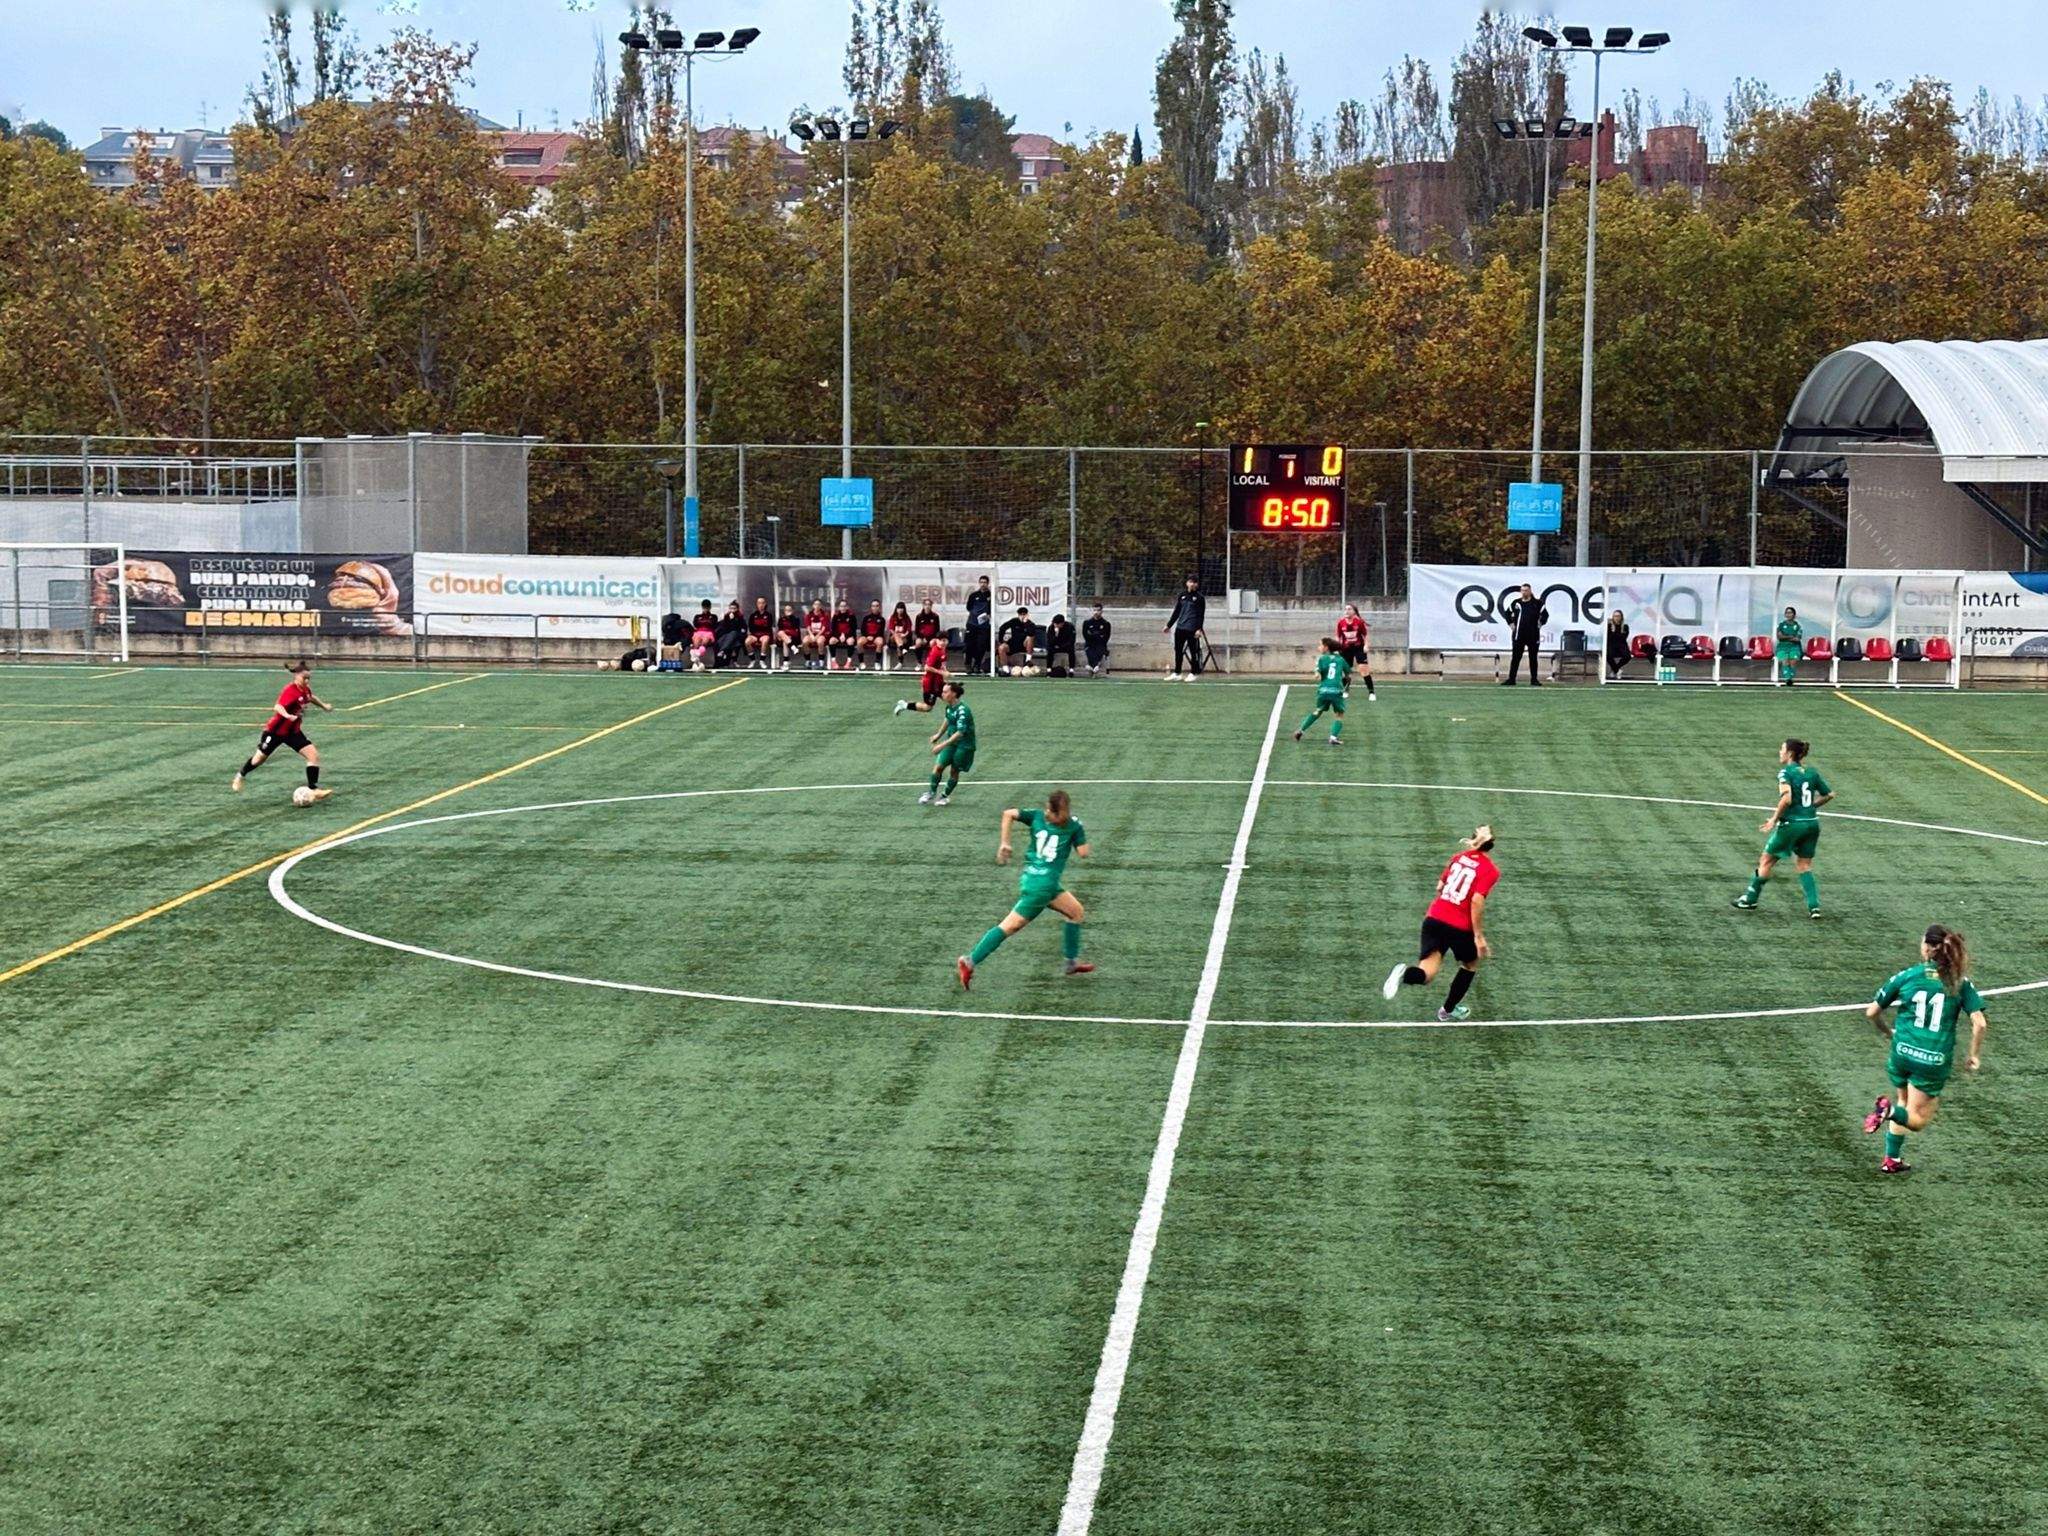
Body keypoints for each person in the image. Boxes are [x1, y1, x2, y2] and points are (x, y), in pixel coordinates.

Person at [1862, 924, 1989, 1175]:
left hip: (1902, 1053)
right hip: (1931, 1059)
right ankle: (1886, 1112)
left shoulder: (1908, 975)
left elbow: (1872, 1012)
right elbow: (1979, 1023)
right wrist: (1973, 1055)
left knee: (1904, 1104)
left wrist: (1887, 1032)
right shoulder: (1959, 983)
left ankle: (1892, 1159)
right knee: (1917, 1120)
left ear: (1927, 948)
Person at [957, 788, 1094, 987]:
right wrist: (1079, 830)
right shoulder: (1073, 826)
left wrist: (1005, 843)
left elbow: (1008, 814)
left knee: (1076, 912)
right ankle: (969, 961)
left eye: (1054, 811)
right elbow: (1083, 853)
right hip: (1042, 888)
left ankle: (1071, 963)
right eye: (1052, 811)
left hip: (1038, 881)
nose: (1051, 814)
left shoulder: (1036, 817)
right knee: (1009, 926)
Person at [1381, 824, 1498, 1022]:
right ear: (1491, 846)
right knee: (1470, 964)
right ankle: (1447, 1010)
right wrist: (1478, 936)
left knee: (1426, 973)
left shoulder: (1458, 858)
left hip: (1434, 919)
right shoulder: (1490, 870)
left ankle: (1403, 974)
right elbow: (1477, 901)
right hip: (1459, 926)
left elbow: (1440, 886)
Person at [1732, 737, 1831, 918]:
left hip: (1792, 825)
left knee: (1766, 861)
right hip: (1812, 824)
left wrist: (1774, 820)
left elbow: (1787, 798)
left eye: (1782, 749)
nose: (1779, 752)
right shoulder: (1811, 772)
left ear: (1790, 753)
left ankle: (1750, 899)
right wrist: (1810, 808)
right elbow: (1829, 794)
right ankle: (1814, 906)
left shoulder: (1786, 773)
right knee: (1804, 865)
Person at [232, 659, 334, 800]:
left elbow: (310, 697)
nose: (307, 681)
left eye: (309, 679)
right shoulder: (290, 690)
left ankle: (313, 789)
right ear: (296, 676)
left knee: (313, 755)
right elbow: (278, 707)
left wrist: (324, 706)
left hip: (293, 733)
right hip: (275, 732)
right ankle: (240, 776)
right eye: (305, 678)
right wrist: (288, 715)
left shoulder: (305, 690)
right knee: (259, 759)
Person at [922, 680, 975, 806]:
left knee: (954, 771)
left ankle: (944, 796)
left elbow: (960, 733)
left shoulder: (963, 711)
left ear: (954, 694)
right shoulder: (949, 707)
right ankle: (931, 792)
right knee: (938, 767)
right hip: (952, 742)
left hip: (964, 745)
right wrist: (938, 735)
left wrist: (941, 745)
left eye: (945, 692)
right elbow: (947, 719)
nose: (942, 694)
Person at [1293, 637, 1350, 747]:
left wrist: (1317, 674)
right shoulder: (1340, 659)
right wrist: (1346, 684)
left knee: (1317, 711)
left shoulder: (1321, 659)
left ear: (1326, 647)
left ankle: (1300, 731)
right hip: (1336, 691)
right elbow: (1347, 673)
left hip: (1323, 690)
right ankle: (1333, 737)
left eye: (1320, 645)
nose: (1318, 647)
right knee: (1339, 714)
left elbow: (1317, 672)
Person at [1503, 582, 1547, 686]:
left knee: (1533, 657)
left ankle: (1534, 679)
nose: (1524, 592)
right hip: (1519, 635)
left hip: (1533, 635)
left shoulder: (1538, 603)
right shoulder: (1516, 603)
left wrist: (1540, 623)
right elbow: (1507, 613)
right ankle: (1511, 679)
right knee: (1515, 658)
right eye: (1522, 590)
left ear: (1530, 591)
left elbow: (1545, 615)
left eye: (1526, 590)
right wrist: (1511, 624)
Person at [893, 635, 950, 715]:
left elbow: (942, 665)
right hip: (930, 684)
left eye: (945, 640)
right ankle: (904, 705)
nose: (943, 643)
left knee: (951, 698)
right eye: (941, 640)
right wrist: (942, 672)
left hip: (938, 682)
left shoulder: (942, 650)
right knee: (927, 707)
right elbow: (927, 667)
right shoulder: (935, 652)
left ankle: (954, 719)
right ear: (937, 641)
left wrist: (945, 671)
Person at [1164, 576, 1206, 680]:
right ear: (1187, 583)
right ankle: (1177, 673)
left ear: (1197, 584)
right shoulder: (1182, 596)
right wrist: (1169, 625)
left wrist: (1198, 629)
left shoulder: (1200, 598)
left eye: (1194, 582)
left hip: (1192, 629)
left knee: (1193, 651)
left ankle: (1193, 673)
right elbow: (1177, 612)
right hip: (1180, 628)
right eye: (1190, 582)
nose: (1192, 584)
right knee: (1178, 651)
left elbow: (1201, 615)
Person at [1334, 603, 1377, 701]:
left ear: (1354, 611)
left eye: (1349, 609)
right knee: (1345, 671)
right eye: (1345, 609)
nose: (1347, 611)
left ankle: (1371, 692)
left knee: (1363, 669)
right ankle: (1346, 690)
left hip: (1358, 648)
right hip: (1346, 649)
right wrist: (1337, 647)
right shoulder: (1341, 622)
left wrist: (1366, 645)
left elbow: (1365, 635)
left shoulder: (1359, 622)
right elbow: (1338, 636)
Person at [965, 575, 994, 675]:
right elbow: (968, 607)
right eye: (981, 582)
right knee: (969, 645)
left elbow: (992, 610)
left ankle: (977, 665)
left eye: (985, 582)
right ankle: (968, 664)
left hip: (984, 625)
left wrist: (986, 616)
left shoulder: (991, 595)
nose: (983, 584)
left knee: (981, 646)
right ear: (979, 583)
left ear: (988, 583)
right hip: (972, 623)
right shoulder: (973, 595)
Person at [996, 607, 1037, 675]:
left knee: (1030, 637)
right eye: (1020, 614)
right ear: (1018, 615)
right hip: (1014, 644)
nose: (1022, 616)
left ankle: (1028, 660)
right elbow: (1002, 628)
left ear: (1027, 615)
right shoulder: (1014, 621)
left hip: (1024, 645)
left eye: (1024, 614)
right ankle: (1006, 670)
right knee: (1001, 648)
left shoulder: (1030, 624)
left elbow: (1031, 633)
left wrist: (1025, 623)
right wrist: (1001, 641)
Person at [744, 596, 777, 668]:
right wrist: (760, 626)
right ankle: (752, 660)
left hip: (765, 634)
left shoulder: (769, 615)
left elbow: (768, 627)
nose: (761, 605)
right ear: (757, 604)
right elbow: (751, 627)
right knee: (747, 641)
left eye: (762, 603)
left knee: (765, 640)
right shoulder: (753, 615)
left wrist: (759, 627)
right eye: (759, 603)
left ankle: (762, 661)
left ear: (765, 604)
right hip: (755, 634)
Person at [1774, 606, 1803, 685]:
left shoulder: (1798, 626)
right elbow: (1779, 637)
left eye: (1790, 613)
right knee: (1785, 661)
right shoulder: (1781, 625)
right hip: (1782, 647)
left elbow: (1797, 639)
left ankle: (1790, 678)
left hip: (1794, 647)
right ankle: (1788, 679)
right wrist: (1790, 636)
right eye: (1787, 613)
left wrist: (1785, 637)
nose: (1788, 614)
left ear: (1794, 615)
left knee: (1793, 661)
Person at [857, 599, 888, 671]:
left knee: (880, 642)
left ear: (879, 607)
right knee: (859, 642)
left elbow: (881, 631)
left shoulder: (882, 619)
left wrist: (873, 637)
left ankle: (877, 662)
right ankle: (861, 662)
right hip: (866, 636)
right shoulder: (866, 618)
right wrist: (867, 636)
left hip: (877, 637)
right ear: (871, 607)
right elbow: (862, 629)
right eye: (873, 606)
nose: (875, 608)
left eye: (877, 606)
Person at [714, 600, 747, 669]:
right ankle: (723, 661)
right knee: (721, 641)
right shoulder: (726, 616)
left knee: (733, 634)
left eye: (734, 608)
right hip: (727, 636)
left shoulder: (740, 617)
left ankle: (722, 651)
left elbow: (740, 628)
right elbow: (725, 627)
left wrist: (733, 620)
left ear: (737, 609)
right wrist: (729, 620)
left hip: (737, 635)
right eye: (731, 608)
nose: (732, 610)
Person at [827, 598, 859, 670]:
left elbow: (853, 628)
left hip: (849, 636)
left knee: (850, 641)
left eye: (844, 606)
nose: (843, 608)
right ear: (839, 607)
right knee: (831, 640)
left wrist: (845, 635)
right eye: (841, 606)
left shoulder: (851, 616)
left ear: (847, 607)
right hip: (838, 636)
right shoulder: (836, 616)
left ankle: (848, 662)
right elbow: (833, 629)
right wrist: (839, 635)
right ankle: (833, 661)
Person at [1082, 603, 1112, 675]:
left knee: (1100, 649)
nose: (1096, 612)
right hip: (1090, 644)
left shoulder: (1106, 624)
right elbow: (1085, 635)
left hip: (1100, 644)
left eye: (1098, 610)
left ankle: (1092, 667)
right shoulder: (1087, 623)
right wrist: (1095, 636)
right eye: (1094, 610)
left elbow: (1106, 637)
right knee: (1089, 650)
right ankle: (1095, 666)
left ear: (1101, 611)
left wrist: (1095, 636)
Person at [800, 598, 830, 669]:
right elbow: (808, 627)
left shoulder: (824, 615)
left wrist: (816, 637)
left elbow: (823, 628)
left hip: (821, 634)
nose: (817, 606)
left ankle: (821, 661)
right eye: (816, 604)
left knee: (820, 641)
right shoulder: (809, 615)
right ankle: (807, 660)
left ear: (821, 606)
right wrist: (811, 635)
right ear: (813, 606)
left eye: (819, 604)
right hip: (812, 634)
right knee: (805, 641)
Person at [774, 603, 803, 671]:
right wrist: (782, 635)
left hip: (794, 638)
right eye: (786, 610)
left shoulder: (796, 619)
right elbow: (780, 629)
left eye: (789, 610)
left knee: (785, 641)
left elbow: (795, 631)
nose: (788, 611)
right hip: (783, 638)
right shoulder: (781, 619)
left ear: (792, 611)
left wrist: (790, 618)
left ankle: (786, 663)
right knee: (782, 635)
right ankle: (793, 648)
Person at [886, 602, 915, 669]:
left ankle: (900, 663)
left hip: (903, 638)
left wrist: (904, 635)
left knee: (899, 643)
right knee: (896, 637)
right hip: (893, 638)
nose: (900, 610)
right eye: (899, 608)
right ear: (896, 609)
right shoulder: (893, 617)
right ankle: (902, 649)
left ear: (904, 609)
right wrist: (897, 634)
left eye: (902, 608)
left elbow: (909, 629)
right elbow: (891, 629)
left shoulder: (907, 618)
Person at [1604, 607, 1631, 680]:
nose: (1616, 618)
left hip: (1622, 645)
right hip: (1611, 645)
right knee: (1607, 655)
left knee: (1627, 656)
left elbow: (1623, 638)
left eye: (1618, 616)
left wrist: (1615, 634)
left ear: (1621, 617)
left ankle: (1615, 669)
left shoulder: (1625, 626)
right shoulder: (1609, 626)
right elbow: (1608, 637)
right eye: (1615, 616)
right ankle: (1617, 671)